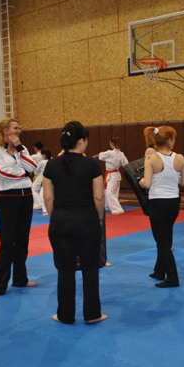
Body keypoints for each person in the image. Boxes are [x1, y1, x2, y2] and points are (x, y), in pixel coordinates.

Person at [43, 121, 107, 324]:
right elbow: (99, 197)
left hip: (60, 220)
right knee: (90, 268)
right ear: (82, 140)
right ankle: (93, 314)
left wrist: (55, 217)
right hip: (87, 219)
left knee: (65, 269)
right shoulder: (91, 165)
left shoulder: (51, 165)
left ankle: (65, 315)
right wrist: (98, 218)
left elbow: (48, 198)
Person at [0, 117, 38, 299]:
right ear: (5, 131)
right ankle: (0, 285)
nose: (18, 131)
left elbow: (33, 167)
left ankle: (20, 278)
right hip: (8, 198)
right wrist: (24, 173)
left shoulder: (21, 149)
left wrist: (19, 147)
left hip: (26, 197)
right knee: (8, 242)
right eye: (15, 128)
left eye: (19, 128)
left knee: (23, 240)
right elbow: (3, 173)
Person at [139, 125, 184, 287]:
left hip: (158, 203)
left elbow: (147, 184)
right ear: (169, 140)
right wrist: (173, 177)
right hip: (174, 202)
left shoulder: (151, 159)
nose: (174, 141)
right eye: (174, 138)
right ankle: (159, 271)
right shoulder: (180, 158)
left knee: (162, 242)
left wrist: (140, 181)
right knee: (165, 237)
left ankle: (173, 277)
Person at [94, 137, 129, 215]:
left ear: (112, 144)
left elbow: (101, 156)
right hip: (116, 175)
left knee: (110, 192)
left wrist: (96, 156)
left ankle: (117, 209)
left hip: (112, 175)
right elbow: (126, 165)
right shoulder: (121, 154)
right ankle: (107, 206)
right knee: (111, 192)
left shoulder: (110, 153)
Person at [32, 149, 52, 215]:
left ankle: (44, 209)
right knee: (44, 193)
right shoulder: (52, 160)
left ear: (44, 155)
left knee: (39, 193)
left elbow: (36, 170)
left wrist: (36, 173)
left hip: (43, 177)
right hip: (51, 178)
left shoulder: (42, 162)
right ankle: (45, 209)